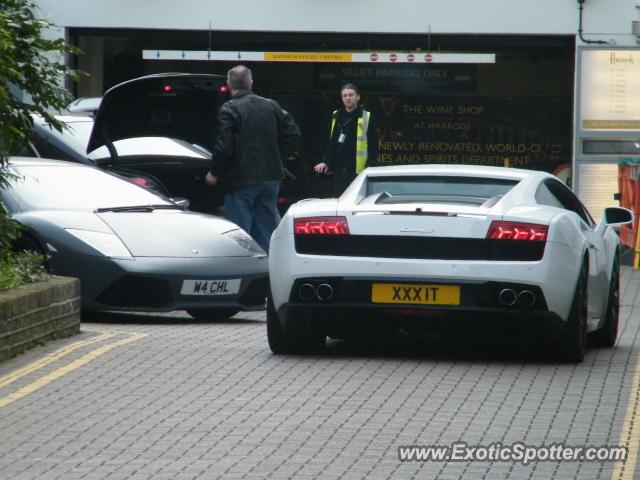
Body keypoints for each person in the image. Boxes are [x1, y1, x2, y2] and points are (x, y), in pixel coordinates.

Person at [205, 65, 300, 253]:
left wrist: (214, 173)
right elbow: (294, 135)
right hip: (271, 178)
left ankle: (243, 277)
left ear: (229, 84)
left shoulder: (229, 109)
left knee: (239, 236)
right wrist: (277, 158)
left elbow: (224, 147)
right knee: (266, 232)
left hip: (241, 181)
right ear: (251, 83)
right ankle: (265, 277)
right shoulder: (272, 105)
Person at [314, 83, 378, 196]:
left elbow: (373, 146)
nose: (347, 98)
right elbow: (332, 142)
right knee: (339, 200)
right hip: (339, 169)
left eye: (351, 95)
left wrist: (370, 168)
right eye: (344, 96)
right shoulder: (336, 115)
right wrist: (325, 161)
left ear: (358, 97)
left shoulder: (367, 116)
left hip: (358, 170)